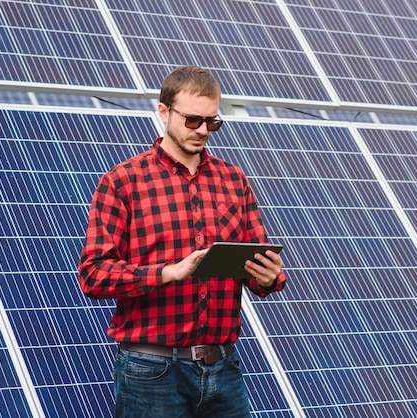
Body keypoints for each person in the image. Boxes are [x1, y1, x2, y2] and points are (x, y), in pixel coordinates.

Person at [78, 65, 286, 417]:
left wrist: (268, 277)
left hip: (223, 367)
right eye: (192, 120)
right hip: (152, 372)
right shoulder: (123, 182)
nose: (203, 130)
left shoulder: (233, 179)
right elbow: (94, 274)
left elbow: (256, 260)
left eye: (212, 122)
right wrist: (168, 273)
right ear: (164, 112)